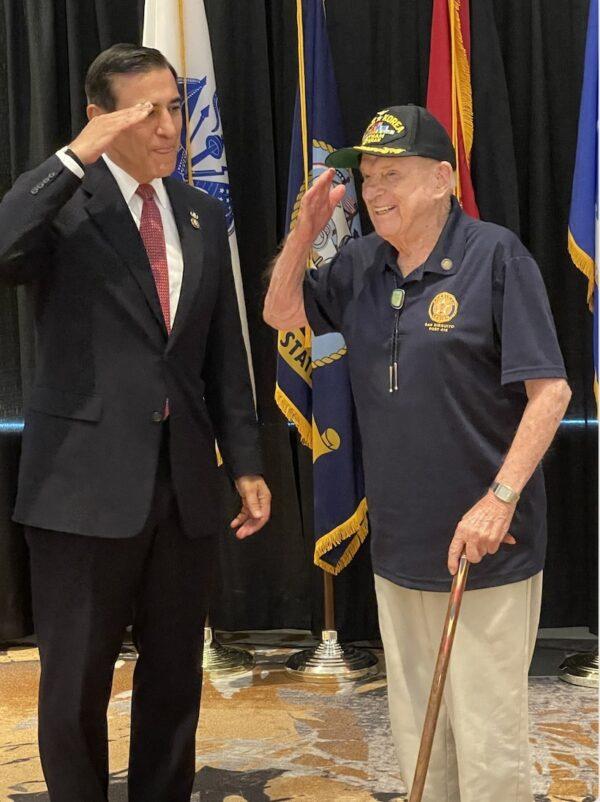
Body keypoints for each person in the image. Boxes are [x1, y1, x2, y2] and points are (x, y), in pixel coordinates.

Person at [264, 104, 571, 802]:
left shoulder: (496, 256)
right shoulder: (360, 263)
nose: (374, 192)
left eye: (391, 175)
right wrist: (305, 232)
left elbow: (550, 395)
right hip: (399, 546)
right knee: (420, 739)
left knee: (487, 739)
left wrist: (498, 502)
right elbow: (283, 314)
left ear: (442, 177)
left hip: (485, 548)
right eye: (367, 177)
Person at [0, 43, 271, 802]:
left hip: (183, 485)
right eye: (146, 109)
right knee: (76, 680)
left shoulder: (200, 212)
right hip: (80, 488)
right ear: (100, 116)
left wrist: (245, 462)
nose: (167, 126)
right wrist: (71, 158)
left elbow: (222, 355)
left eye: (175, 107)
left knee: (175, 673)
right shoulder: (64, 207)